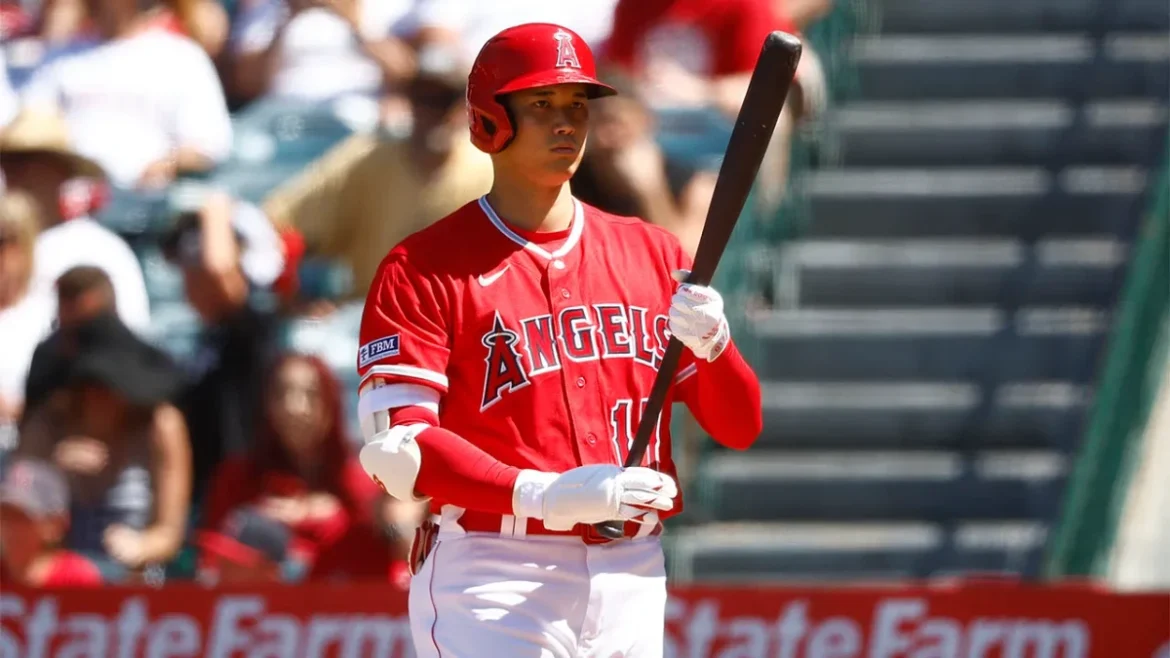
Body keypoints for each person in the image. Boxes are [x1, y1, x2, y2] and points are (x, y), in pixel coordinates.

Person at [356, 24, 762, 658]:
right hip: (495, 567)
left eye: (577, 104)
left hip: (633, 568)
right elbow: (401, 452)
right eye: (542, 104)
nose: (566, 122)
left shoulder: (652, 253)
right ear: (490, 121)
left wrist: (716, 346)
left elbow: (739, 427)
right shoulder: (423, 268)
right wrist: (543, 495)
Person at [0, 108, 151, 332]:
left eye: (27, 162)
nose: (14, 174)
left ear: (61, 171)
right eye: (8, 162)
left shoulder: (96, 249)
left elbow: (124, 342)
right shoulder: (7, 245)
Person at [0, 457, 103, 587]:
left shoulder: (76, 577)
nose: (10, 527)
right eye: (4, 515)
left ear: (55, 524)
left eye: (21, 518)